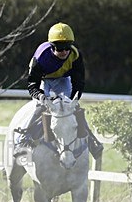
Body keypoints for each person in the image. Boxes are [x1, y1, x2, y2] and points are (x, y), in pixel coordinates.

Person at [12, 22, 103, 158]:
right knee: (40, 106)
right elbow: (32, 85)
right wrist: (42, 97)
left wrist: (72, 101)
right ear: (52, 46)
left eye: (67, 47)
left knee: (73, 106)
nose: (64, 52)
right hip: (43, 80)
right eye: (60, 48)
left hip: (62, 79)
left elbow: (79, 82)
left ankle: (91, 140)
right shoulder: (41, 57)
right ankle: (22, 141)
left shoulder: (75, 55)